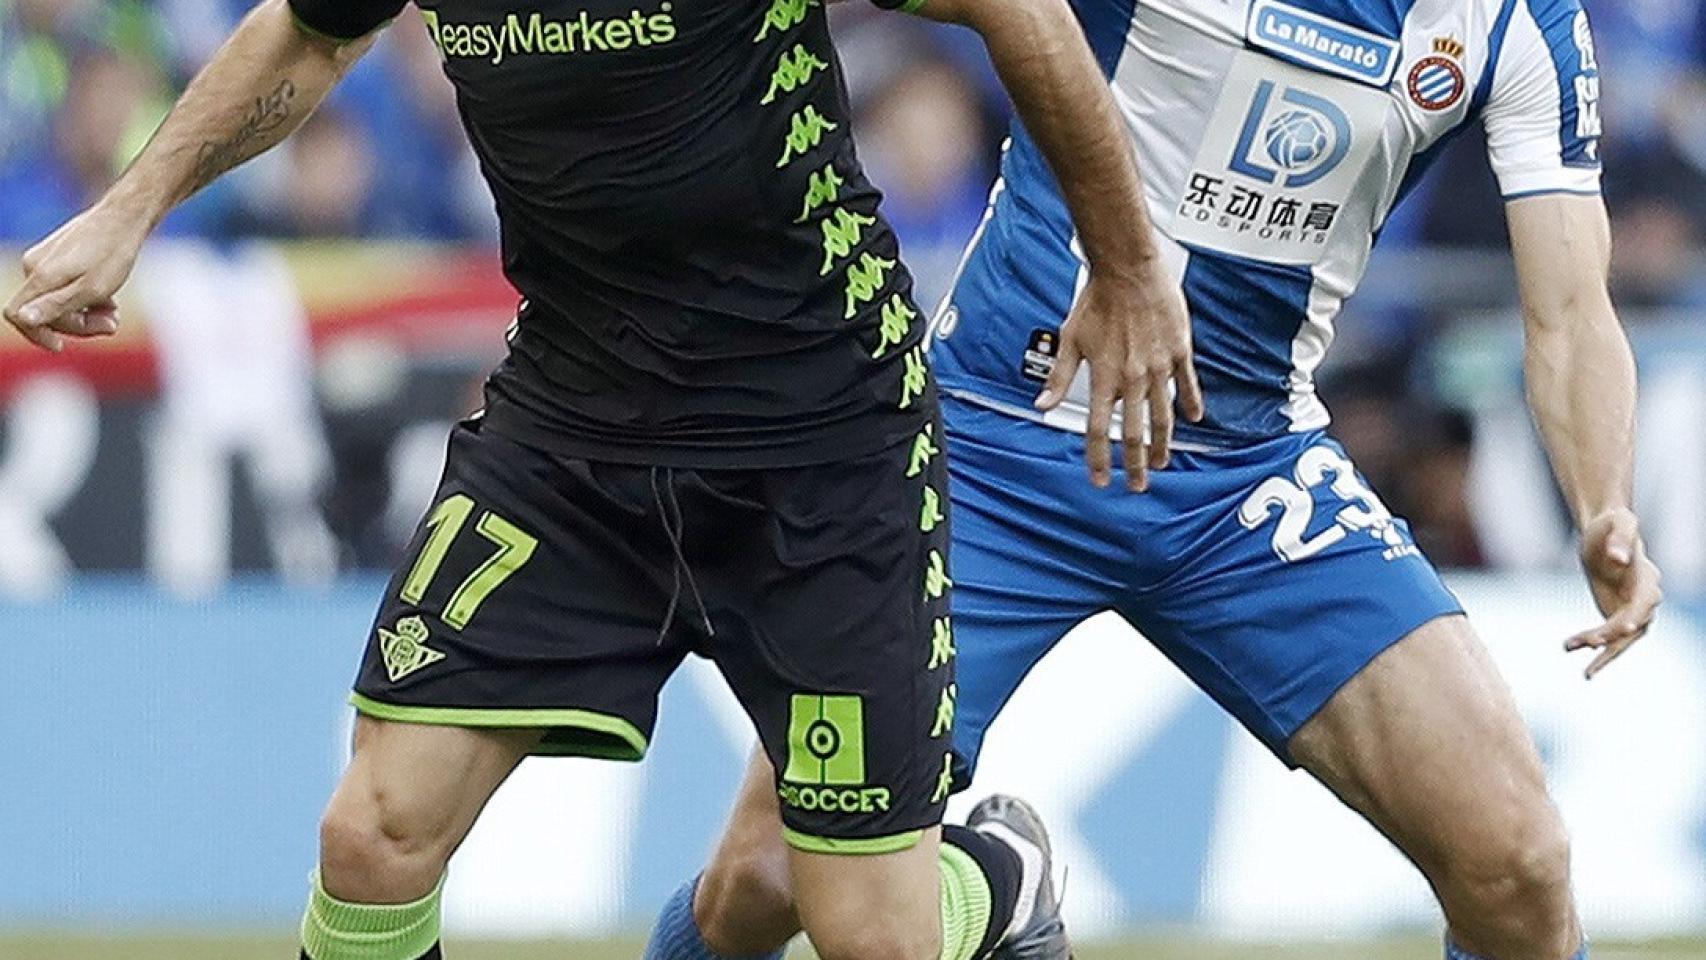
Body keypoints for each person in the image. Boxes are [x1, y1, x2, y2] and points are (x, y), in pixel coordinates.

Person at [3, 0, 1197, 958]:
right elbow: (312, 32)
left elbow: (1021, 12)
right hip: (573, 427)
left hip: (818, 437)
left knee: (859, 931)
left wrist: (1128, 265)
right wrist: (129, 210)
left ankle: (992, 879)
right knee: (370, 838)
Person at [649, 2, 1665, 960]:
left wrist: (1602, 503)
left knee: (1517, 865)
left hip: (1246, 480)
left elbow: (1571, 314)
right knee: (764, 882)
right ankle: (1001, 880)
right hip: (992, 448)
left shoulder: (1516, 24)